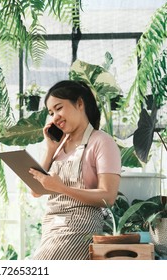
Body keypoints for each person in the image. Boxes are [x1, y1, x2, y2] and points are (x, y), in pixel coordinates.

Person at [28, 80, 121, 260]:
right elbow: (35, 191)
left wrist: (61, 188)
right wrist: (50, 149)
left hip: (79, 230)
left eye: (59, 108)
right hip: (51, 228)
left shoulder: (102, 142)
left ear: (79, 103)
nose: (55, 116)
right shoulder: (58, 145)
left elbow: (108, 197)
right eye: (51, 112)